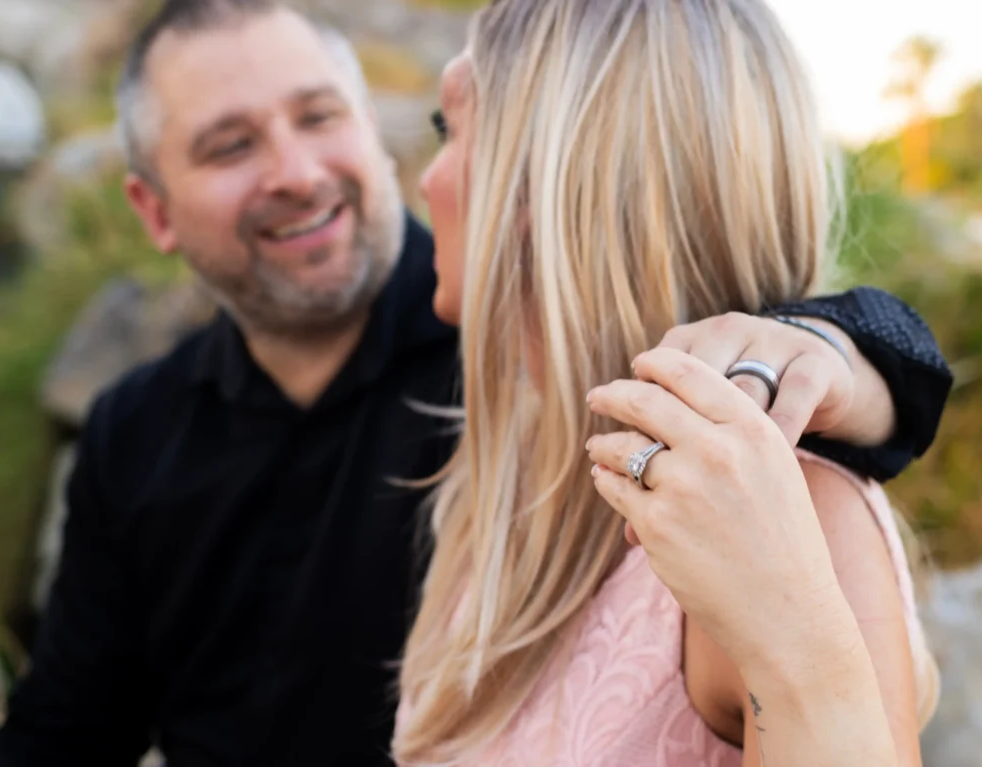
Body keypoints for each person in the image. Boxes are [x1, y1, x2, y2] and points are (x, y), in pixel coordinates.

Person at [0, 1, 951, 765]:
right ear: (152, 210)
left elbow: (809, 373)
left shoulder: (511, 384)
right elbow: (68, 724)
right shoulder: (138, 429)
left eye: (321, 116)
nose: (296, 171)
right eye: (230, 146)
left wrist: (839, 357)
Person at [393, 1, 940, 766]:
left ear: (549, 187)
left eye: (449, 130)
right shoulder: (511, 471)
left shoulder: (787, 511)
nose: (427, 178)